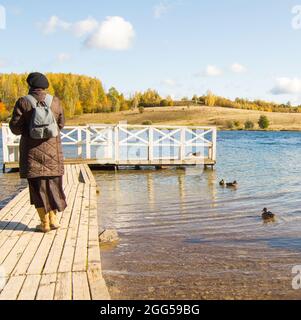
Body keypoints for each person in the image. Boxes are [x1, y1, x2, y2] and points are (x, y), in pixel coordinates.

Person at [9, 72, 67, 233]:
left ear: (30, 85)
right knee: (54, 186)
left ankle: (45, 223)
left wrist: (30, 131)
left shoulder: (23, 102)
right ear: (45, 85)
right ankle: (54, 220)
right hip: (53, 152)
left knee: (37, 188)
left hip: (32, 153)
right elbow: (61, 124)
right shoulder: (54, 101)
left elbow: (15, 128)